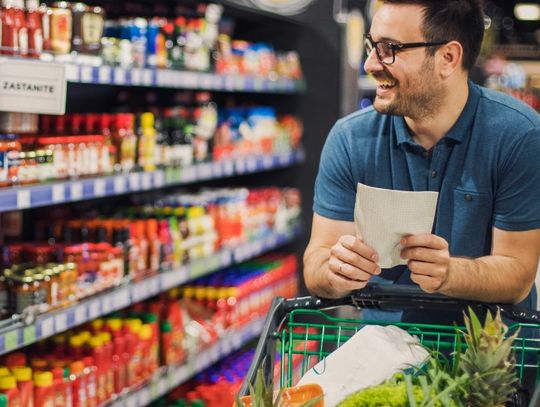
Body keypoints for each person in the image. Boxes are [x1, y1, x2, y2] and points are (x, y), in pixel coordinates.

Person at [303, 0, 540, 324]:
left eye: (390, 49)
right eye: (371, 46)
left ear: (448, 58)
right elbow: (316, 263)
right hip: (383, 360)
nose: (370, 63)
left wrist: (450, 273)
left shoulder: (517, 135)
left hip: (492, 360)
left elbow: (518, 275)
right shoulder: (350, 139)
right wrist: (334, 269)